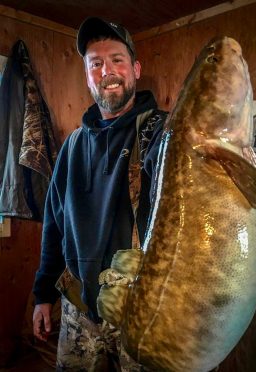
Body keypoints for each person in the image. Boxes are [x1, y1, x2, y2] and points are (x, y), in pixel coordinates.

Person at [32, 17, 167, 371]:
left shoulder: (163, 134)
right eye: (96, 63)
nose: (107, 70)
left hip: (142, 314)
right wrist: (43, 295)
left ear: (135, 68)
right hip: (80, 310)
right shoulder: (73, 146)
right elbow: (55, 226)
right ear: (87, 75)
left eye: (117, 60)